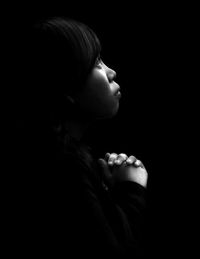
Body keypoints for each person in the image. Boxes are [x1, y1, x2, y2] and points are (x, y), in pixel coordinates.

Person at [13, 16, 148, 258]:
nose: (111, 72)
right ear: (66, 89)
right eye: (96, 64)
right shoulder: (67, 168)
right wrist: (132, 188)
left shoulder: (64, 156)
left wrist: (109, 193)